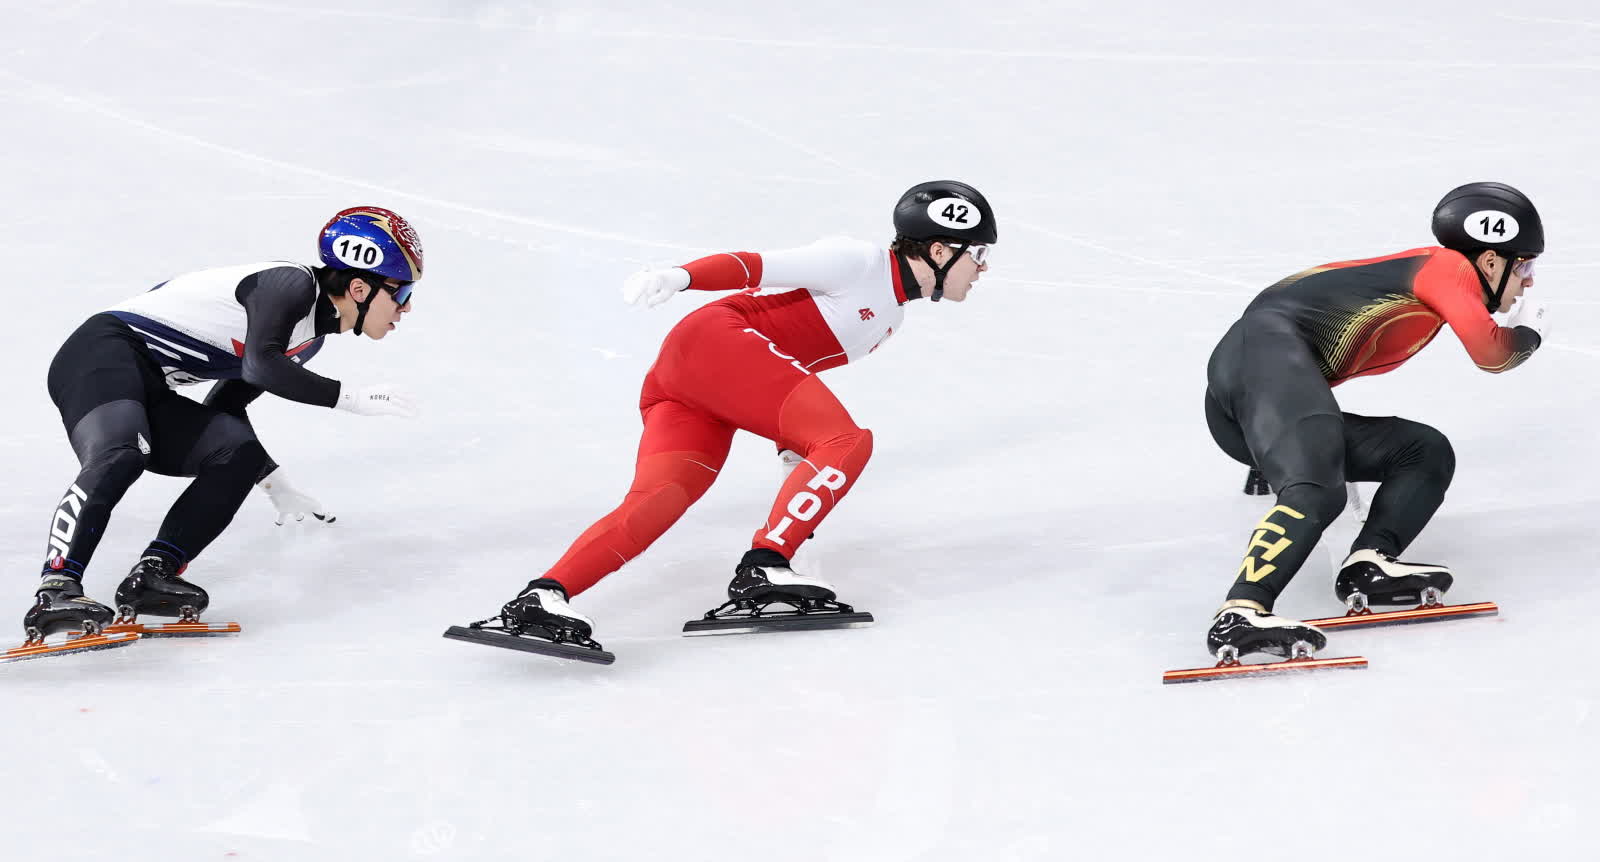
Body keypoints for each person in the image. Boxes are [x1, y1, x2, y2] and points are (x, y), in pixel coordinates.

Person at [483, 180, 996, 655]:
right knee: (847, 441)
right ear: (939, 250)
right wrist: (682, 276)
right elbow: (756, 266)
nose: (982, 269)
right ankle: (765, 565)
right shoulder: (859, 263)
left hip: (694, 376)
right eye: (977, 254)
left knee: (662, 497)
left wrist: (796, 459)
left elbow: (791, 374)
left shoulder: (889, 319)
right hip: (719, 342)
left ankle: (544, 594)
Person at [25, 206, 423, 645]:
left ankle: (154, 574)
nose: (406, 308)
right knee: (122, 453)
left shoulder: (308, 340)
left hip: (148, 384)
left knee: (238, 453)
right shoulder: (289, 285)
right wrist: (351, 398)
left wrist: (274, 483)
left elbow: (229, 403)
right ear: (359, 287)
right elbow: (260, 366)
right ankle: (56, 587)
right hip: (100, 354)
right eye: (402, 293)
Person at [1201, 182, 1547, 661]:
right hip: (1254, 370)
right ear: (1490, 261)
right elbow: (1492, 353)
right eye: (1524, 265)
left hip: (1250, 391)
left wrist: (1270, 448)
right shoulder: (1447, 268)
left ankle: (1368, 564)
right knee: (1320, 488)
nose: (1528, 282)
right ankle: (1241, 611)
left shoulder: (1428, 282)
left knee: (1423, 451)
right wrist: (1530, 332)